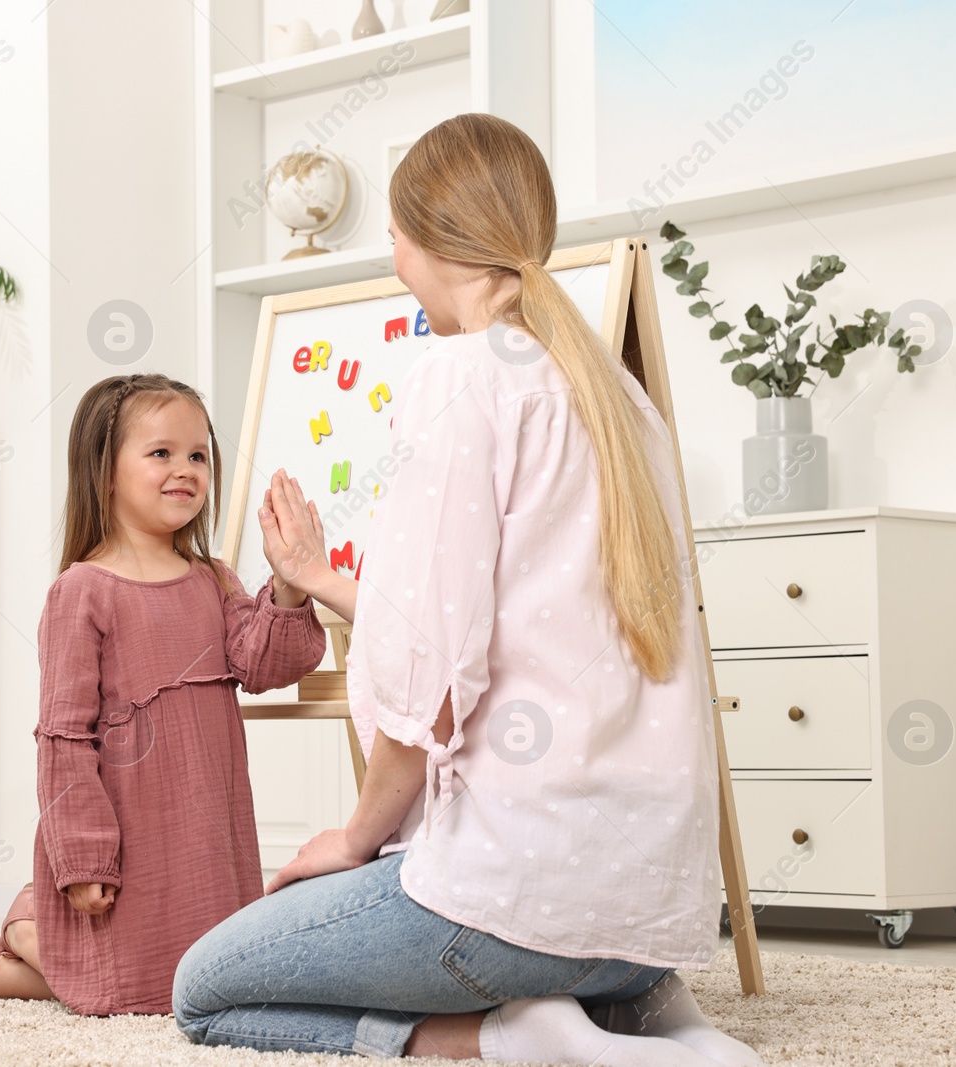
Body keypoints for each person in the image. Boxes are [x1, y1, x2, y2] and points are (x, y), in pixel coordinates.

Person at [171, 113, 762, 1066]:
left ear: (424, 238)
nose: (394, 258)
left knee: (204, 990)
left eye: (394, 237)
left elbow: (429, 678)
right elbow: (511, 620)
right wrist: (324, 582)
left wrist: (353, 839)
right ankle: (640, 1016)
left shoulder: (459, 375)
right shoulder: (618, 394)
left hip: (515, 901)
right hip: (644, 915)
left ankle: (503, 1037)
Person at [0, 373, 328, 1013]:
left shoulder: (213, 580)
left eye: (198, 455)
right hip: (126, 840)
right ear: (105, 472)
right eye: (161, 453)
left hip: (205, 837)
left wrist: (291, 583)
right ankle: (15, 942)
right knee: (126, 995)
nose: (185, 469)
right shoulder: (82, 591)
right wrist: (84, 857)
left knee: (209, 983)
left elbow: (263, 663)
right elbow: (64, 738)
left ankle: (23, 929)